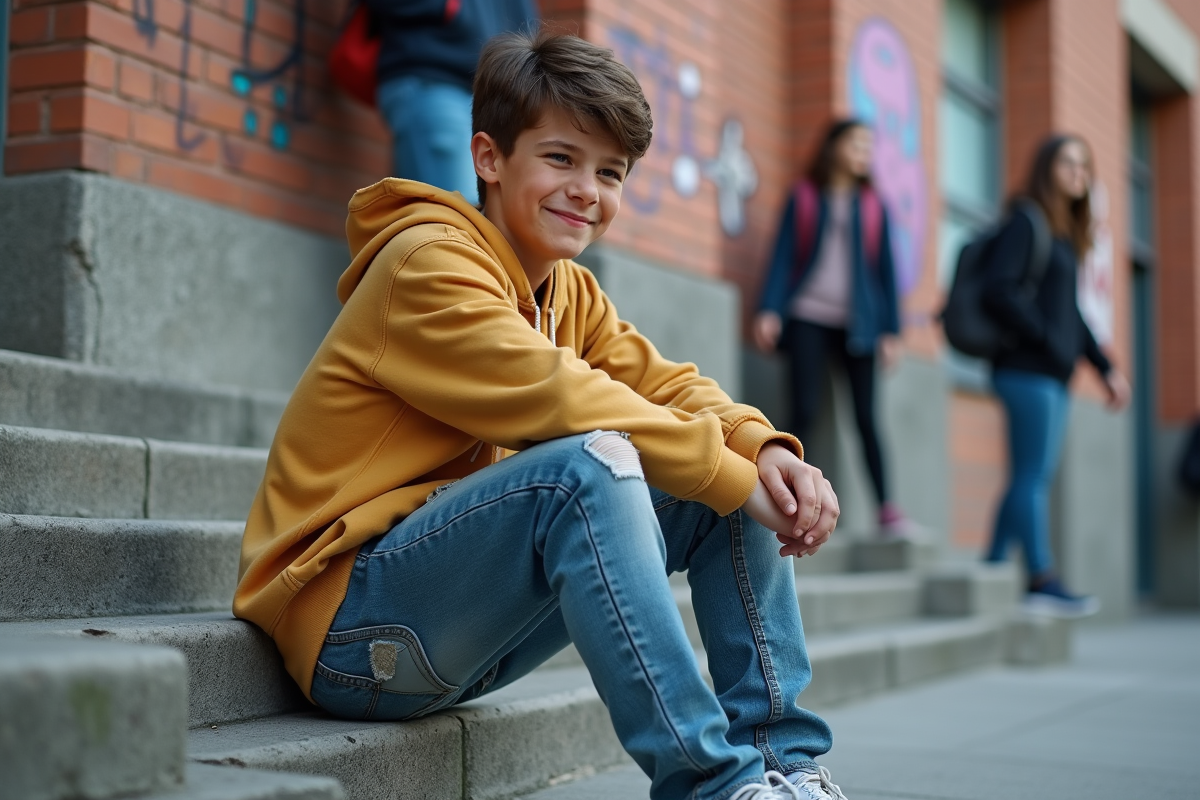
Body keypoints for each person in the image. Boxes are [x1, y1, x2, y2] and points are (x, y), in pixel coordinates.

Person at [235, 29, 850, 800]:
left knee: (721, 483)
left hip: (456, 626)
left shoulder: (568, 291)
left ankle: (785, 771)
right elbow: (561, 396)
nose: (587, 190)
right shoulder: (426, 265)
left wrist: (762, 450)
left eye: (610, 172)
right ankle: (715, 788)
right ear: (490, 158)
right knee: (587, 469)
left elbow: (668, 386)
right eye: (561, 159)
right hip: (352, 631)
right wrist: (728, 472)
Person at [982, 134, 1131, 618]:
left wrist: (1106, 368)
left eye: (1084, 167)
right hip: (1026, 372)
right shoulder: (1027, 221)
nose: (1077, 173)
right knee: (1034, 475)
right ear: (1048, 168)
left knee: (1026, 475)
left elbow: (1073, 313)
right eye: (1068, 163)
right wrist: (1047, 339)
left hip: (1050, 375)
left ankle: (991, 566)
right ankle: (1041, 577)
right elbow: (998, 291)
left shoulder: (1063, 236)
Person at [753, 119, 912, 538]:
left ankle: (887, 510)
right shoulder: (805, 196)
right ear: (834, 146)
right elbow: (783, 255)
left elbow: (886, 273)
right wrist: (769, 309)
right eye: (855, 144)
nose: (863, 152)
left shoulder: (874, 205)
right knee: (802, 409)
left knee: (865, 417)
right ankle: (782, 498)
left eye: (868, 146)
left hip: (859, 324)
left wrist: (891, 330)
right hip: (807, 315)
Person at [363, 0, 539, 203]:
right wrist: (448, 7)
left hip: (494, 92)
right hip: (435, 77)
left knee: (454, 218)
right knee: (462, 217)